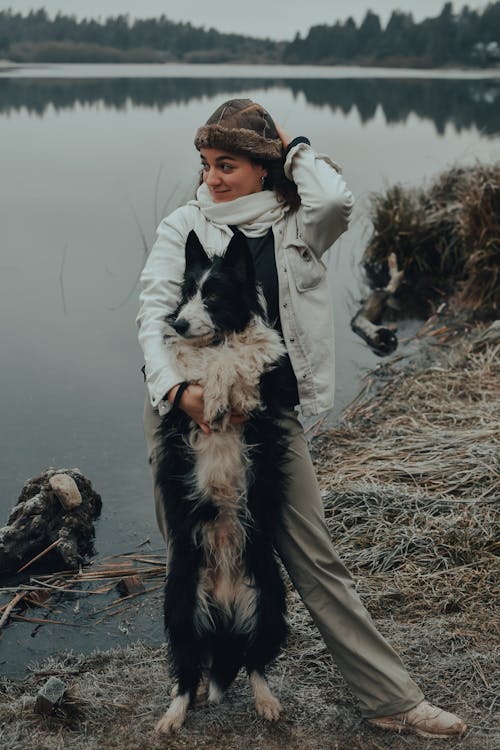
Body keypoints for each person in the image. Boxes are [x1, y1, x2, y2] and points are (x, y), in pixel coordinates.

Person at [136, 98, 467, 739]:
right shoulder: (184, 226)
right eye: (205, 164)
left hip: (264, 414)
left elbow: (338, 203)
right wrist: (179, 394)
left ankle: (390, 699)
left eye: (227, 164)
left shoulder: (296, 226)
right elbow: (152, 313)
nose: (211, 178)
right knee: (191, 555)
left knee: (313, 556)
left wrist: (295, 147)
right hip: (183, 414)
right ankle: (195, 675)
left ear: (263, 167)